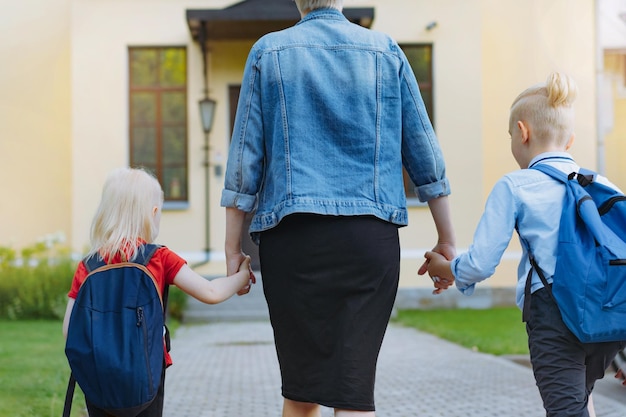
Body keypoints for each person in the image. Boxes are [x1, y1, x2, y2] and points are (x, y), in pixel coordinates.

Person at [220, 1, 455, 416]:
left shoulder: (268, 52)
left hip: (293, 243)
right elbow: (424, 153)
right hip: (369, 241)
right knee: (353, 391)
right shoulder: (386, 52)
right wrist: (447, 240)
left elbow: (245, 161)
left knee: (301, 392)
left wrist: (231, 251)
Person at [423, 72, 626, 417]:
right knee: (580, 401)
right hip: (605, 316)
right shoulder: (602, 184)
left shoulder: (515, 186)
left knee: (566, 409)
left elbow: (481, 263)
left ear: (522, 132)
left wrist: (445, 269)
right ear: (570, 140)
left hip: (555, 318)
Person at [62, 167, 253, 417]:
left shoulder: (88, 266)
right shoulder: (158, 258)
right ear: (152, 213)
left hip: (99, 379)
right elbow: (210, 291)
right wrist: (241, 276)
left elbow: (69, 329)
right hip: (145, 376)